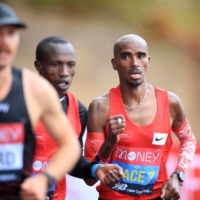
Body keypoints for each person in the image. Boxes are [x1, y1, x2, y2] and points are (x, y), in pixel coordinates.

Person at [85, 34, 197, 200]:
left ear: (148, 61)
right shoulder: (100, 107)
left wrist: (177, 175)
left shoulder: (170, 103)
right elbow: (89, 177)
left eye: (140, 56)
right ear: (114, 64)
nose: (135, 63)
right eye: (125, 56)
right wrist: (109, 142)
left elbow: (189, 140)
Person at [0, 3, 81, 200]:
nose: (4, 42)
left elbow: (70, 146)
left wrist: (44, 180)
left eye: (11, 33)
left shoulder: (34, 89)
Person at [33, 36, 123, 199]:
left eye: (71, 65)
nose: (65, 73)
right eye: (56, 64)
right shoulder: (15, 100)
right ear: (39, 66)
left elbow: (71, 162)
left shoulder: (78, 110)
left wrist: (95, 169)